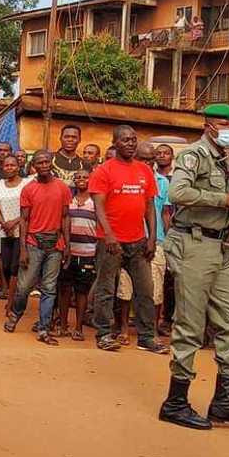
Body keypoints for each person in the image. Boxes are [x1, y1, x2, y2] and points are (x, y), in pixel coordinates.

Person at [159, 103, 229, 429]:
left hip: (222, 246)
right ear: (208, 126)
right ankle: (175, 402)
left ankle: (224, 402)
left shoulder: (226, 160)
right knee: (190, 324)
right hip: (194, 242)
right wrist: (222, 200)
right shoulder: (194, 155)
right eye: (223, 125)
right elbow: (177, 192)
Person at [87, 125, 167, 355]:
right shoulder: (103, 171)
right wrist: (109, 234)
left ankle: (146, 337)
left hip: (138, 242)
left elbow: (150, 207)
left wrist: (151, 238)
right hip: (111, 243)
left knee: (145, 290)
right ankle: (104, 334)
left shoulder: (144, 170)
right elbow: (99, 206)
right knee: (106, 289)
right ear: (115, 143)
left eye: (133, 139)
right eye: (125, 140)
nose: (131, 143)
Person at [5, 149, 71, 346]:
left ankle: (43, 328)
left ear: (51, 163)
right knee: (24, 286)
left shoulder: (62, 188)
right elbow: (24, 220)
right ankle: (15, 313)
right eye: (39, 163)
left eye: (46, 162)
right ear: (33, 166)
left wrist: (67, 245)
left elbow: (65, 217)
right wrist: (23, 249)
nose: (43, 166)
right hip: (34, 242)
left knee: (49, 288)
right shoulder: (29, 189)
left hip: (55, 243)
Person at [57, 169, 97, 340]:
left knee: (82, 291)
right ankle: (63, 326)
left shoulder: (95, 202)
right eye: (78, 177)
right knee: (65, 289)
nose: (81, 179)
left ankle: (79, 328)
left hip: (88, 252)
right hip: (68, 251)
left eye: (85, 177)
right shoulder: (69, 200)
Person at [0, 155, 27, 303]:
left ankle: (14, 298)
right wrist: (5, 223)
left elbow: (28, 208)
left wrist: (14, 222)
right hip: (4, 230)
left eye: (12, 165)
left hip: (21, 229)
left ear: (18, 167)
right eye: (6, 165)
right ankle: (9, 291)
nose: (9, 168)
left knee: (15, 265)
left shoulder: (26, 184)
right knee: (5, 264)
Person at [154, 142, 178, 328]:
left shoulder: (177, 177)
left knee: (168, 280)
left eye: (166, 153)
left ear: (172, 156)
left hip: (171, 232)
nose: (162, 156)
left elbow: (167, 212)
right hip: (155, 233)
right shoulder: (152, 177)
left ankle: (166, 320)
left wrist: (169, 236)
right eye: (159, 153)